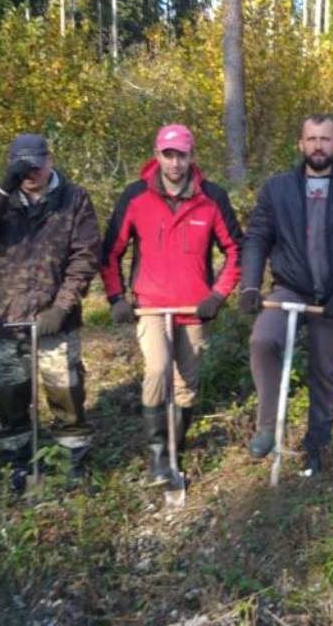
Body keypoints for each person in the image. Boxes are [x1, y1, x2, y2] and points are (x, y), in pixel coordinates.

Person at [239, 115, 333, 477]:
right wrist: (251, 286)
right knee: (262, 340)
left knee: (324, 369)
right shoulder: (278, 189)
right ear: (300, 144)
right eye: (311, 139)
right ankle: (268, 426)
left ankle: (317, 443)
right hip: (290, 287)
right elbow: (257, 238)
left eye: (326, 139)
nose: (318, 145)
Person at [101, 124, 242, 484]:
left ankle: (177, 446)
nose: (175, 163)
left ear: (191, 155)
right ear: (157, 155)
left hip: (194, 308)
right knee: (156, 371)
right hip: (150, 305)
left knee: (187, 382)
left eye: (181, 154)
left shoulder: (212, 198)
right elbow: (111, 252)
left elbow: (235, 251)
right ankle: (158, 457)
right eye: (168, 154)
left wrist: (217, 295)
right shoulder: (135, 197)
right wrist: (117, 297)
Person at [0, 134, 100, 489]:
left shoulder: (74, 199)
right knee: (12, 393)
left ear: (49, 161)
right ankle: (18, 463)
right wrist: (4, 190)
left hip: (55, 318)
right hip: (10, 317)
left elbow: (85, 256)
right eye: (22, 167)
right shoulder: (0, 199)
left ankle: (71, 460)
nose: (30, 173)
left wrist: (62, 306)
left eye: (36, 165)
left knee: (65, 390)